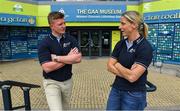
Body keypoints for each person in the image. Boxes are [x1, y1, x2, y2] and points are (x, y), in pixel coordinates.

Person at [106, 11, 153, 110]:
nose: (119, 27)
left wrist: (117, 65)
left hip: (134, 94)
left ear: (134, 25)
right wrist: (127, 73)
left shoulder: (145, 47)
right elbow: (109, 66)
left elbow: (132, 77)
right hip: (116, 89)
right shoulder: (120, 44)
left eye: (123, 24)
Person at [38, 11, 82, 110]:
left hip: (68, 81)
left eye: (64, 23)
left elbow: (78, 58)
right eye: (60, 24)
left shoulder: (70, 39)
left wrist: (57, 58)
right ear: (52, 26)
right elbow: (47, 68)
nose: (64, 26)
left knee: (65, 108)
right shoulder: (44, 43)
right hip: (51, 82)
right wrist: (69, 58)